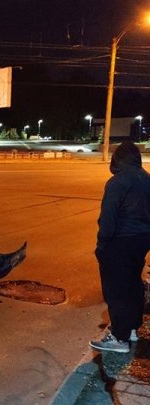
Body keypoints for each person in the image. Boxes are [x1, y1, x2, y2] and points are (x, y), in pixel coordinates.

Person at [90, 140, 150, 353]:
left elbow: (108, 218)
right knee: (133, 283)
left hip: (120, 241)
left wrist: (102, 245)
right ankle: (133, 328)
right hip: (142, 240)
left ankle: (119, 337)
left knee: (116, 289)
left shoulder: (118, 182)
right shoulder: (146, 179)